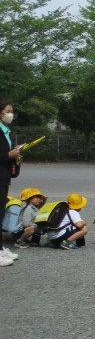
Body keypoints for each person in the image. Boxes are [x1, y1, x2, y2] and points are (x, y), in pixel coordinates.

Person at [0, 99, 21, 265]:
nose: (10, 114)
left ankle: (0, 248)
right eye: (8, 111)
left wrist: (17, 155)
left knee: (1, 212)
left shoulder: (7, 131)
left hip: (4, 177)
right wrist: (9, 155)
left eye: (11, 111)